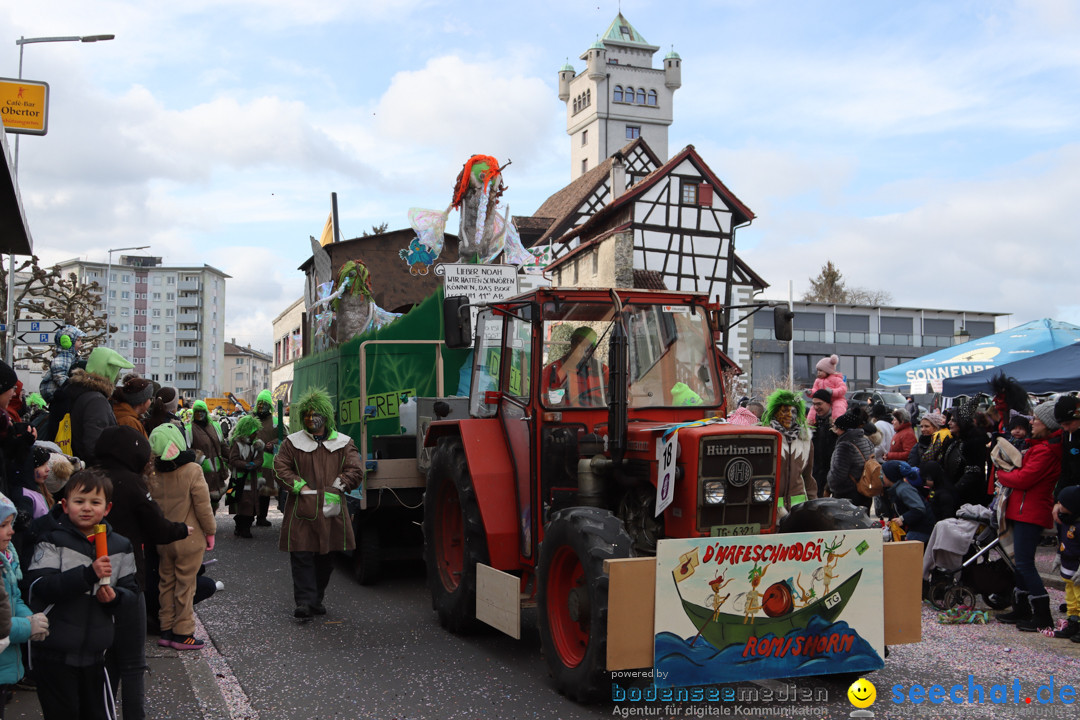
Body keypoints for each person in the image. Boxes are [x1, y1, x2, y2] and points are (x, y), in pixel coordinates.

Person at [26, 469, 138, 720]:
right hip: (54, 653)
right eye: (79, 501)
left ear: (107, 508)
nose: (86, 508)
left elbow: (131, 593)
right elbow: (40, 587)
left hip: (96, 656)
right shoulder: (51, 540)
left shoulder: (120, 545)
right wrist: (87, 575)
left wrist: (116, 598)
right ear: (65, 505)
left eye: (95, 502)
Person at [96, 424, 189, 717]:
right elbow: (157, 528)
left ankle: (104, 711)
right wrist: (182, 529)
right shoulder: (131, 483)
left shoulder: (87, 479)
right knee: (133, 661)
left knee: (105, 658)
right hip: (127, 578)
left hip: (92, 577)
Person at [274, 387, 362, 619]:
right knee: (301, 555)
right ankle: (304, 602)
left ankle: (316, 598)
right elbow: (280, 467)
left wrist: (338, 487)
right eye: (307, 415)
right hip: (301, 509)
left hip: (331, 509)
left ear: (326, 416)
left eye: (316, 415)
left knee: (326, 557)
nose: (311, 419)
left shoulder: (343, 443)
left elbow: (355, 469)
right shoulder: (293, 442)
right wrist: (298, 486)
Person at [995, 402, 1063, 632]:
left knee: (1023, 562)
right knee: (1019, 562)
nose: (1031, 422)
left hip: (1030, 511)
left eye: (1036, 419)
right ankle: (1022, 607)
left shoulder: (1045, 450)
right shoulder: (1039, 446)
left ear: (1048, 424)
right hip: (1023, 509)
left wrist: (1003, 475)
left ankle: (1042, 615)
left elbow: (1024, 479)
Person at [148, 424, 216, 650]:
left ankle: (166, 629)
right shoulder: (192, 470)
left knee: (165, 584)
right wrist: (210, 531)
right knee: (186, 587)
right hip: (190, 538)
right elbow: (203, 506)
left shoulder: (154, 474)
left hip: (164, 538)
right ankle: (183, 633)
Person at [0, 492, 47, 714]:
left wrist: (29, 616)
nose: (12, 531)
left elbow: (14, 596)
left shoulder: (6, 557)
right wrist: (28, 627)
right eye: (4, 525)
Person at [63, 347, 133, 466]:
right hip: (91, 474)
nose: (119, 377)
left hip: (76, 468)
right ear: (108, 371)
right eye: (117, 371)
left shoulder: (77, 391)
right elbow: (95, 446)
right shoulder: (96, 401)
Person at [760, 389, 816, 508]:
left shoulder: (805, 440)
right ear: (775, 412)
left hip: (798, 510)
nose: (790, 415)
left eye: (794, 411)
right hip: (770, 508)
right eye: (785, 411)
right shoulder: (766, 438)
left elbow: (808, 476)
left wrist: (814, 504)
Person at [541, 326, 609, 407]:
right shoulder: (554, 370)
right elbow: (550, 405)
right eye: (576, 341)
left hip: (597, 417)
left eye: (584, 344)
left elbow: (613, 398)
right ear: (572, 344)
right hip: (568, 417)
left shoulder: (602, 370)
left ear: (591, 349)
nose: (578, 346)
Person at [826, 408, 875, 510]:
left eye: (836, 428)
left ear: (843, 429)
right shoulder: (866, 441)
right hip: (864, 492)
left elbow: (838, 475)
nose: (835, 431)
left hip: (847, 495)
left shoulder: (844, 446)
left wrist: (829, 488)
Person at [184, 400, 228, 512]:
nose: (200, 414)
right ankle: (206, 526)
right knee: (202, 502)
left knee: (215, 501)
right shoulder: (189, 429)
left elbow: (223, 445)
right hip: (202, 473)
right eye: (197, 411)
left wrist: (232, 458)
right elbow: (187, 450)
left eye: (202, 411)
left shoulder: (215, 427)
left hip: (218, 473)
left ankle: (210, 523)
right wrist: (200, 458)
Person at [226, 415, 264, 538]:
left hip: (253, 480)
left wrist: (255, 464)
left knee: (252, 504)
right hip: (240, 479)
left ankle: (245, 527)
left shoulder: (256, 445)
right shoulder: (237, 444)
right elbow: (233, 460)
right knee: (243, 503)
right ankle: (242, 527)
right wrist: (246, 465)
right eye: (254, 432)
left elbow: (260, 459)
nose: (256, 435)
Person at [878, 461, 935, 545]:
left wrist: (902, 519)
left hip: (921, 530)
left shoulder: (904, 489)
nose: (881, 477)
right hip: (914, 527)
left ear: (890, 477)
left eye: (883, 474)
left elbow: (919, 509)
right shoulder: (896, 489)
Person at [37, 325, 85, 404]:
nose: (81, 343)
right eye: (78, 340)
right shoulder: (63, 358)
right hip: (56, 396)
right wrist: (74, 389)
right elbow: (60, 378)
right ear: (66, 341)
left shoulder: (72, 357)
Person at [253, 390, 279, 526]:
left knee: (265, 492)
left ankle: (261, 517)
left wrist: (273, 443)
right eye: (260, 404)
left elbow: (284, 438)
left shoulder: (275, 421)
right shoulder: (250, 420)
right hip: (252, 462)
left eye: (264, 404)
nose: (262, 407)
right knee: (251, 492)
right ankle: (249, 517)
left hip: (267, 463)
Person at [809, 389, 837, 496]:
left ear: (828, 403)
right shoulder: (813, 423)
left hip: (833, 473)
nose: (816, 407)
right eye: (814, 404)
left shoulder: (837, 422)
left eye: (819, 404)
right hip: (816, 473)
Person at [805, 354, 847, 424]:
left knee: (838, 407)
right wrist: (810, 392)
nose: (818, 372)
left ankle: (837, 422)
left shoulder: (836, 379)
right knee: (813, 408)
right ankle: (810, 422)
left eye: (821, 370)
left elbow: (843, 389)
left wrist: (832, 392)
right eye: (818, 370)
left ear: (828, 371)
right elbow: (816, 390)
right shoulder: (818, 380)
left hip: (836, 399)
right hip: (822, 401)